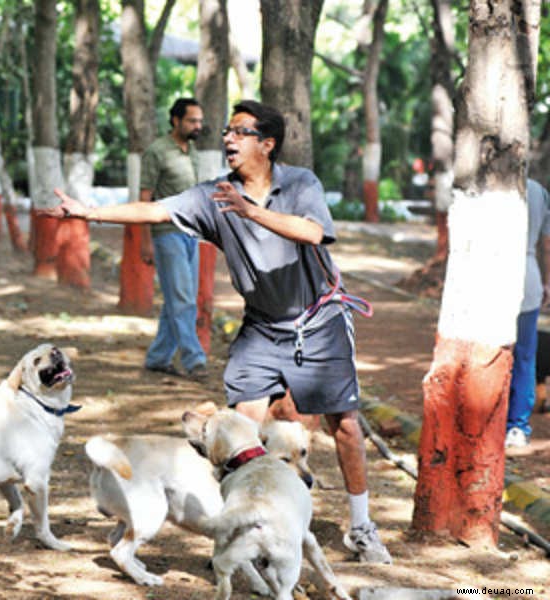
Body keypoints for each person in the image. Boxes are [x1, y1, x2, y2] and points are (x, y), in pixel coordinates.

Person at [43, 100, 393, 564]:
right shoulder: (215, 194)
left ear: (267, 145)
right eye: (227, 130)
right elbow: (157, 211)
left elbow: (312, 233)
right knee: (240, 430)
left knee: (345, 427)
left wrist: (250, 213)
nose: (227, 138)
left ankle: (362, 527)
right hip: (262, 329)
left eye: (241, 132)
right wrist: (87, 213)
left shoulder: (300, 184)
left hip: (319, 322)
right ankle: (245, 528)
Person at [140, 98, 208, 380]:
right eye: (192, 121)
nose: (197, 126)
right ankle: (195, 360)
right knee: (182, 299)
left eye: (200, 121)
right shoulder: (157, 151)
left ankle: (158, 357)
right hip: (166, 233)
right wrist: (145, 241)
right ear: (176, 121)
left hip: (191, 234)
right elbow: (145, 196)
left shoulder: (192, 151)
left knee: (179, 299)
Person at [506, 178, 550, 448]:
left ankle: (488, 419)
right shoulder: (538, 191)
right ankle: (518, 427)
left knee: (493, 351)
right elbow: (547, 244)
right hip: (527, 274)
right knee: (524, 355)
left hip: (492, 274)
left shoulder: (487, 183)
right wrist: (547, 281)